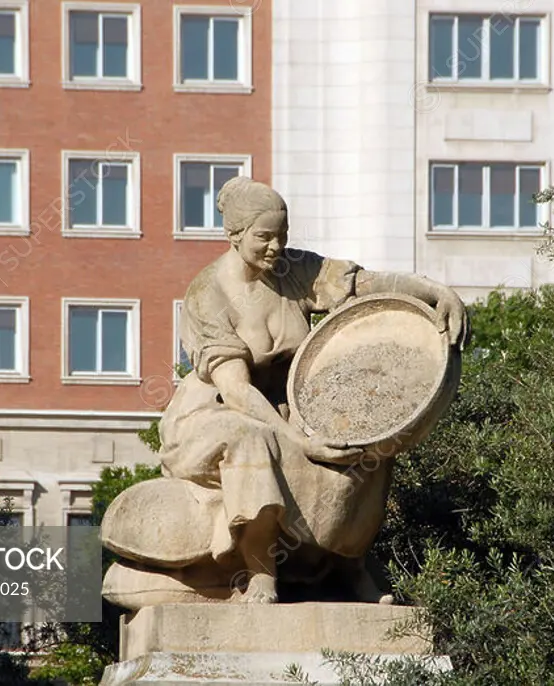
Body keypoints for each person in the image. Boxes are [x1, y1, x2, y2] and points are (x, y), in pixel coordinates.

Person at [154, 176, 467, 603]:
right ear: (235, 235)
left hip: (289, 406)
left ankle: (350, 565)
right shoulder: (208, 293)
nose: (275, 247)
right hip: (214, 413)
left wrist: (433, 291)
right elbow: (237, 390)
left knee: (364, 436)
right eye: (264, 237)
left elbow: (360, 284)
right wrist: (301, 441)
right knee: (253, 440)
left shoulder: (292, 270)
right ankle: (261, 573)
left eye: (281, 236)